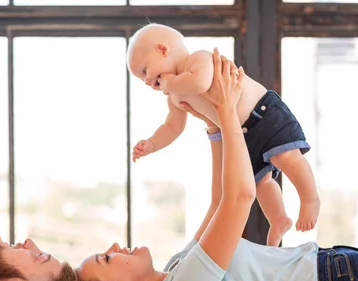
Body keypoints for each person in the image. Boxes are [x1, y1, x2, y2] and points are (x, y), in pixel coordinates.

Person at [65, 49, 358, 281]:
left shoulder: (177, 271)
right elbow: (240, 198)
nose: (115, 245)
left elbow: (219, 200)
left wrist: (216, 125)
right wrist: (227, 107)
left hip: (343, 270)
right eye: (107, 257)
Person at [128, 23, 320, 246]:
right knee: (260, 182)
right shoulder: (174, 96)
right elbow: (173, 126)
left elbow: (200, 83)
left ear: (163, 49)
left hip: (263, 114)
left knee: (286, 157)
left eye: (145, 71)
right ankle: (278, 220)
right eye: (141, 80)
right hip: (239, 135)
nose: (147, 81)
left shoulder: (198, 60)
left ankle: (310, 199)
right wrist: (152, 144)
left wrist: (172, 82)